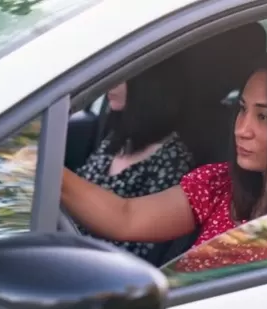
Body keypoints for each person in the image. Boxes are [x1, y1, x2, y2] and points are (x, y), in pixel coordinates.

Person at [62, 49, 267, 264]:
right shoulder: (220, 185)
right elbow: (126, 216)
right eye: (242, 110)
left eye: (263, 117)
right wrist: (37, 165)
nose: (242, 129)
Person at [73, 57, 195, 261]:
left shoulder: (173, 161)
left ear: (147, 86)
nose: (109, 84)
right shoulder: (118, 138)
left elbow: (136, 251)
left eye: (120, 77)